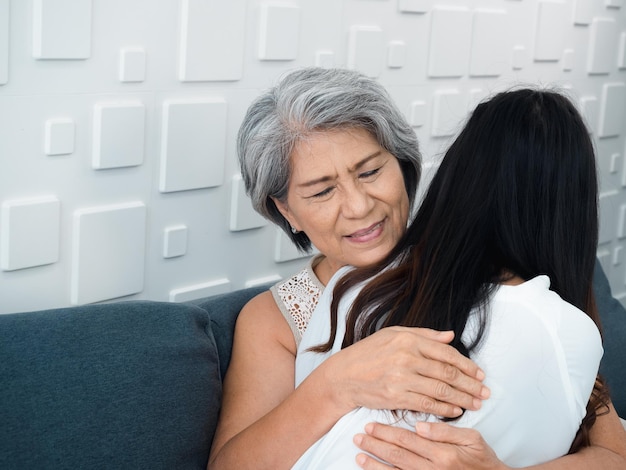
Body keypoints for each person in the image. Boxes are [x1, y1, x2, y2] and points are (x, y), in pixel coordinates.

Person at [208, 68, 626, 469]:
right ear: (286, 211)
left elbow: (611, 452)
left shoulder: (484, 272)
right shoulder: (274, 321)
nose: (359, 206)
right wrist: (337, 382)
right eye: (322, 191)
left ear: (404, 165)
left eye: (371, 171)